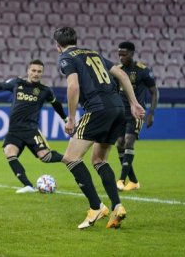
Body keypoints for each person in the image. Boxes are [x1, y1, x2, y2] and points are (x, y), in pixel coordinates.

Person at [54, 27, 145, 230]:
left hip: (97, 109)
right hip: (117, 108)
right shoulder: (92, 52)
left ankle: (96, 207)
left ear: (57, 45)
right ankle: (117, 206)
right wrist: (133, 102)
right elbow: (120, 73)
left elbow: (73, 86)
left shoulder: (66, 57)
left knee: (70, 158)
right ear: (76, 39)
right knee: (99, 160)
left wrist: (70, 118)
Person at [0, 59, 67, 193]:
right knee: (9, 151)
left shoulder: (45, 91)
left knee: (45, 157)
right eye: (33, 70)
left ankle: (68, 158)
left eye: (39, 71)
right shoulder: (16, 83)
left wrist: (65, 118)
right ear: (28, 71)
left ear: (42, 73)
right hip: (14, 131)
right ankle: (27, 185)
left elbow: (56, 104)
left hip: (31, 130)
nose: (36, 74)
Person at [115, 41, 159, 192]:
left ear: (132, 54)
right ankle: (133, 181)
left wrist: (151, 113)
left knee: (128, 141)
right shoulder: (118, 71)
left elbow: (154, 92)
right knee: (119, 143)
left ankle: (121, 180)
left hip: (136, 113)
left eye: (124, 54)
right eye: (119, 54)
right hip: (120, 114)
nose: (121, 57)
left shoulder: (142, 70)